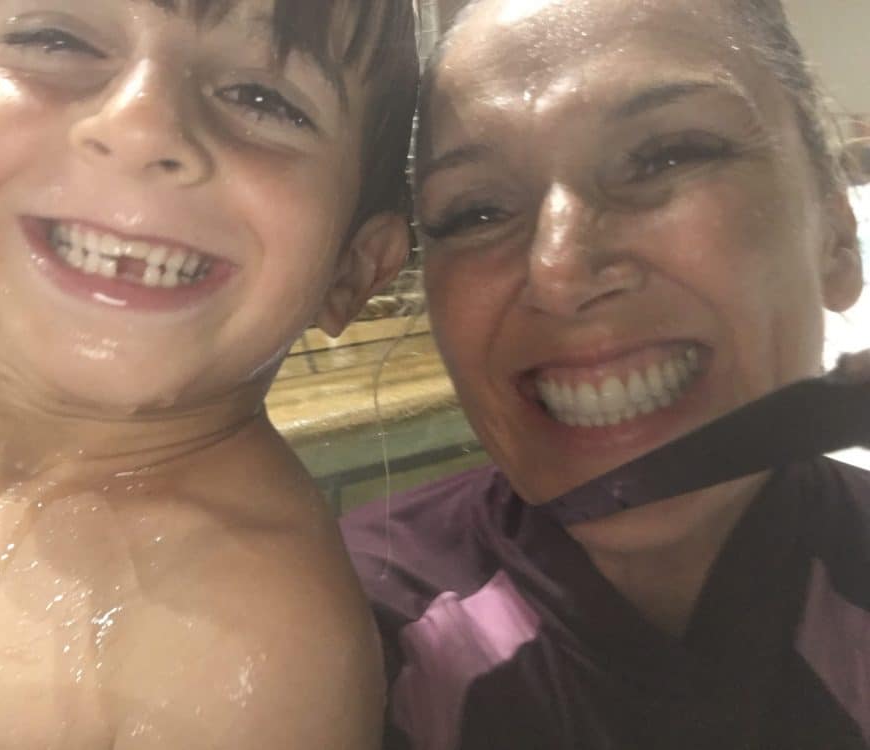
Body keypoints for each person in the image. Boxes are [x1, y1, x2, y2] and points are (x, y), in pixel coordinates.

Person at [0, 0, 417, 747]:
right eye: (56, 39)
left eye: (263, 99)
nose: (139, 127)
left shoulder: (246, 656)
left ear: (351, 270)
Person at [342, 0, 869, 747]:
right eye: (476, 212)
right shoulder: (344, 641)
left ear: (838, 238)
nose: (559, 273)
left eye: (667, 155)